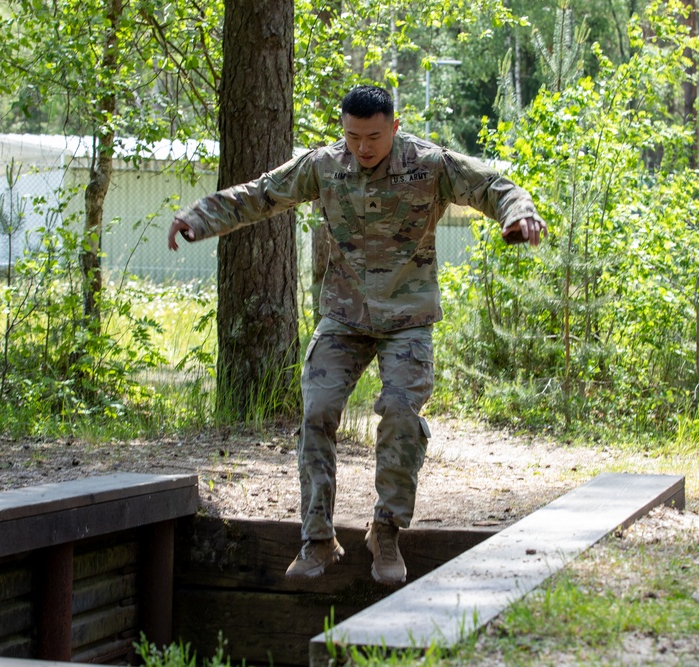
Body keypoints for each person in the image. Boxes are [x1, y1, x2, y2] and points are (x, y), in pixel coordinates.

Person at [168, 84, 546, 585]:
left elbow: (494, 186)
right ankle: (317, 539)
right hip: (344, 317)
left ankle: (385, 530)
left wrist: (519, 213)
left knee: (400, 412)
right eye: (352, 136)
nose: (362, 147)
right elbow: (260, 194)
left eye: (372, 136)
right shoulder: (323, 166)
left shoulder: (430, 164)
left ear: (393, 126)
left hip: (407, 318)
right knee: (317, 410)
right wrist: (198, 217)